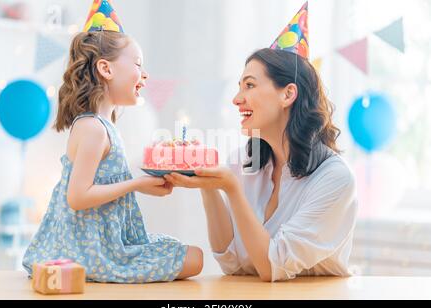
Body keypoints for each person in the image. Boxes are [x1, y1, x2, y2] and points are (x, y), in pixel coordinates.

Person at [165, 2, 358, 282]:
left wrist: (230, 188)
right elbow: (231, 261)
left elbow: (271, 267)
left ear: (287, 94)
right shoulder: (244, 162)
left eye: (250, 85)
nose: (236, 99)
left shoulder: (334, 178)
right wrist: (208, 187)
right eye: (239, 86)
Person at [22, 0, 203, 283]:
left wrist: (144, 181)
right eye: (138, 64)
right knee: (194, 259)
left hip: (103, 245)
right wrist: (137, 184)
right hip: (93, 253)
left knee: (194, 256)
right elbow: (78, 197)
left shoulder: (102, 125)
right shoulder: (93, 128)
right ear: (106, 69)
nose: (144, 75)